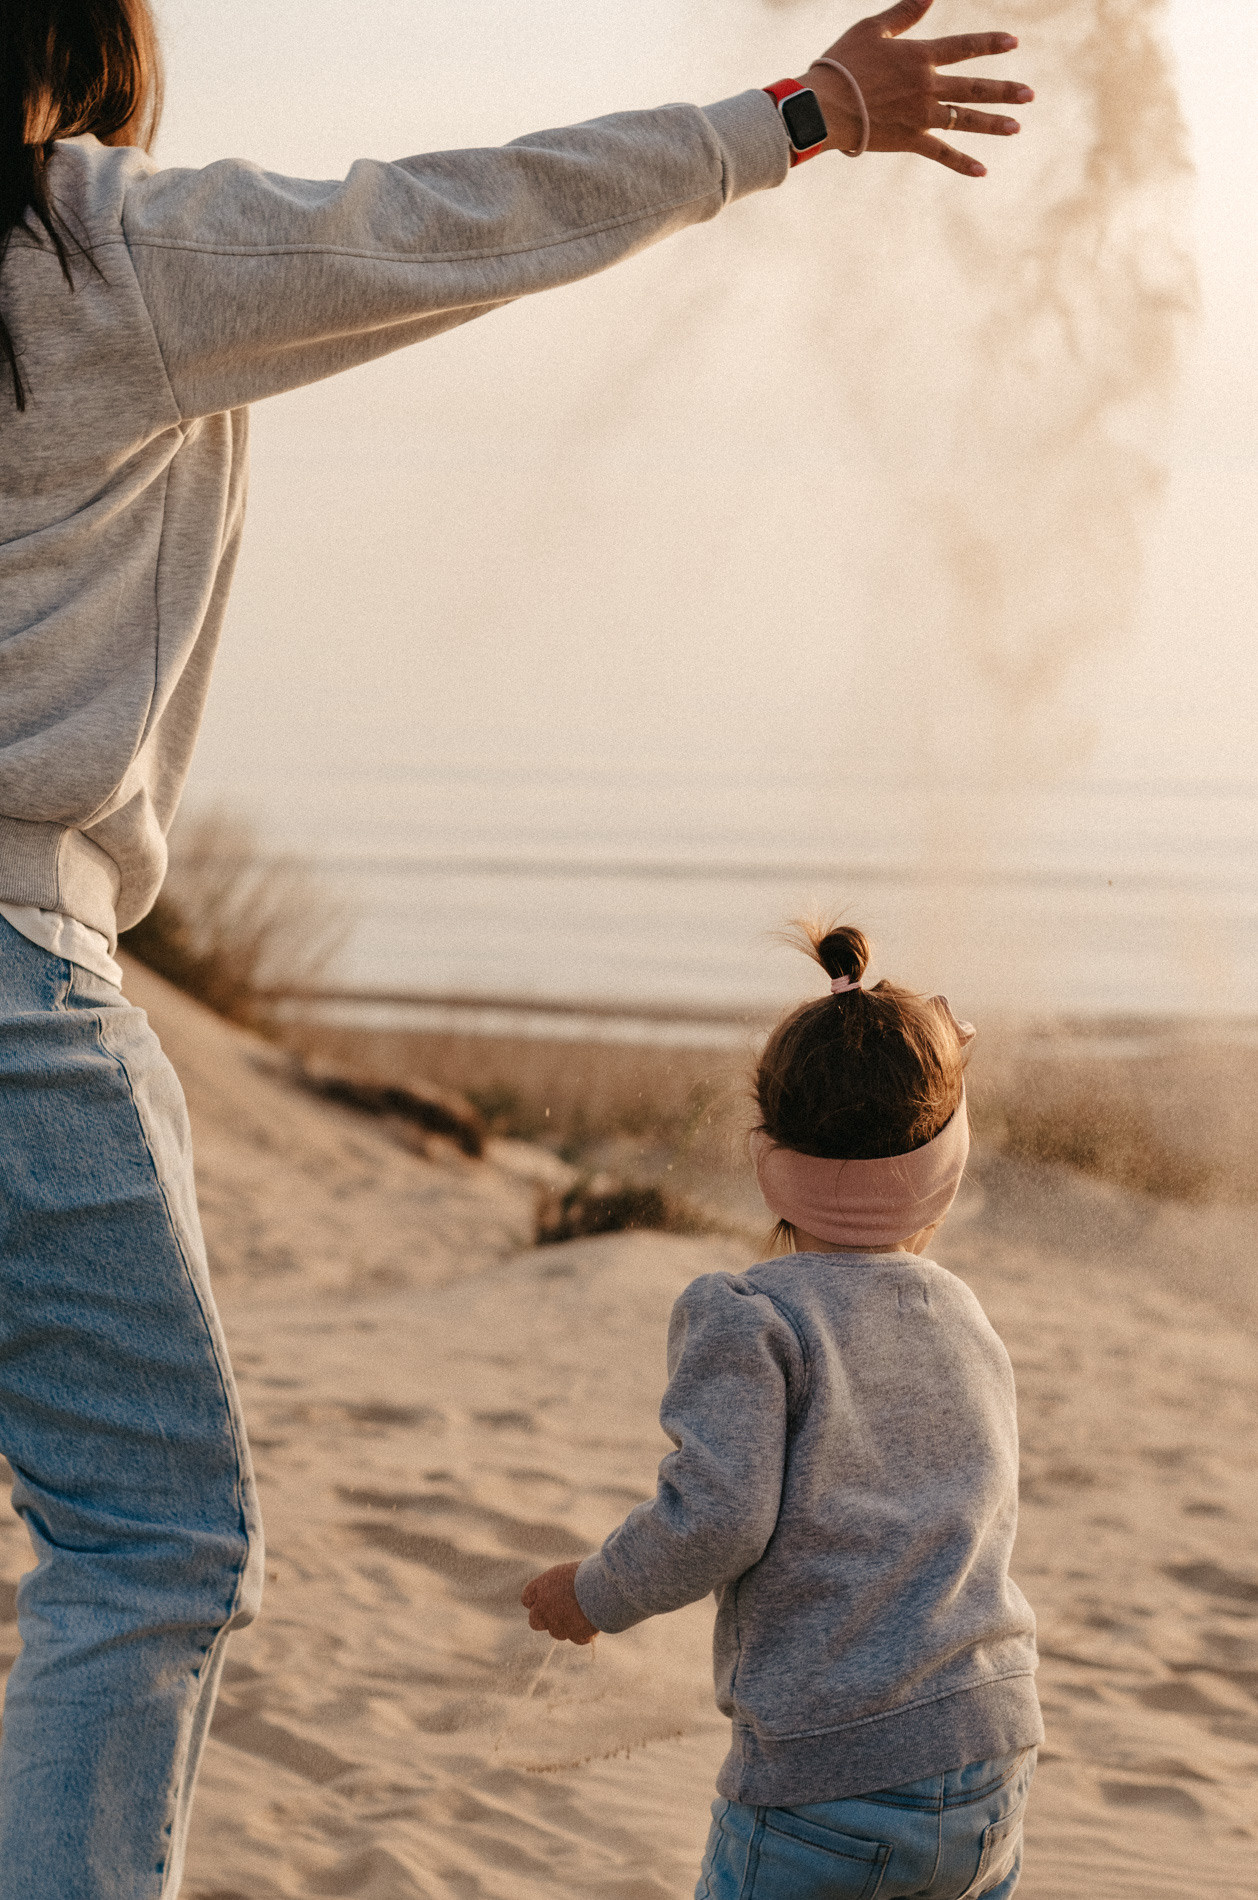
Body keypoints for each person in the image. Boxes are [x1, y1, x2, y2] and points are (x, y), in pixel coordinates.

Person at [0, 2, 1033, 1893]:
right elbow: (461, 213)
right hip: (10, 965)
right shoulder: (92, 248)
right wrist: (796, 117)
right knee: (146, 1543)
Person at [523, 923, 1042, 1900]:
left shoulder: (751, 1317)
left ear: (767, 1152)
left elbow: (716, 1516)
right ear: (945, 1163)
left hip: (825, 1783)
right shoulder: (964, 1316)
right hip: (990, 1747)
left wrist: (594, 1592)